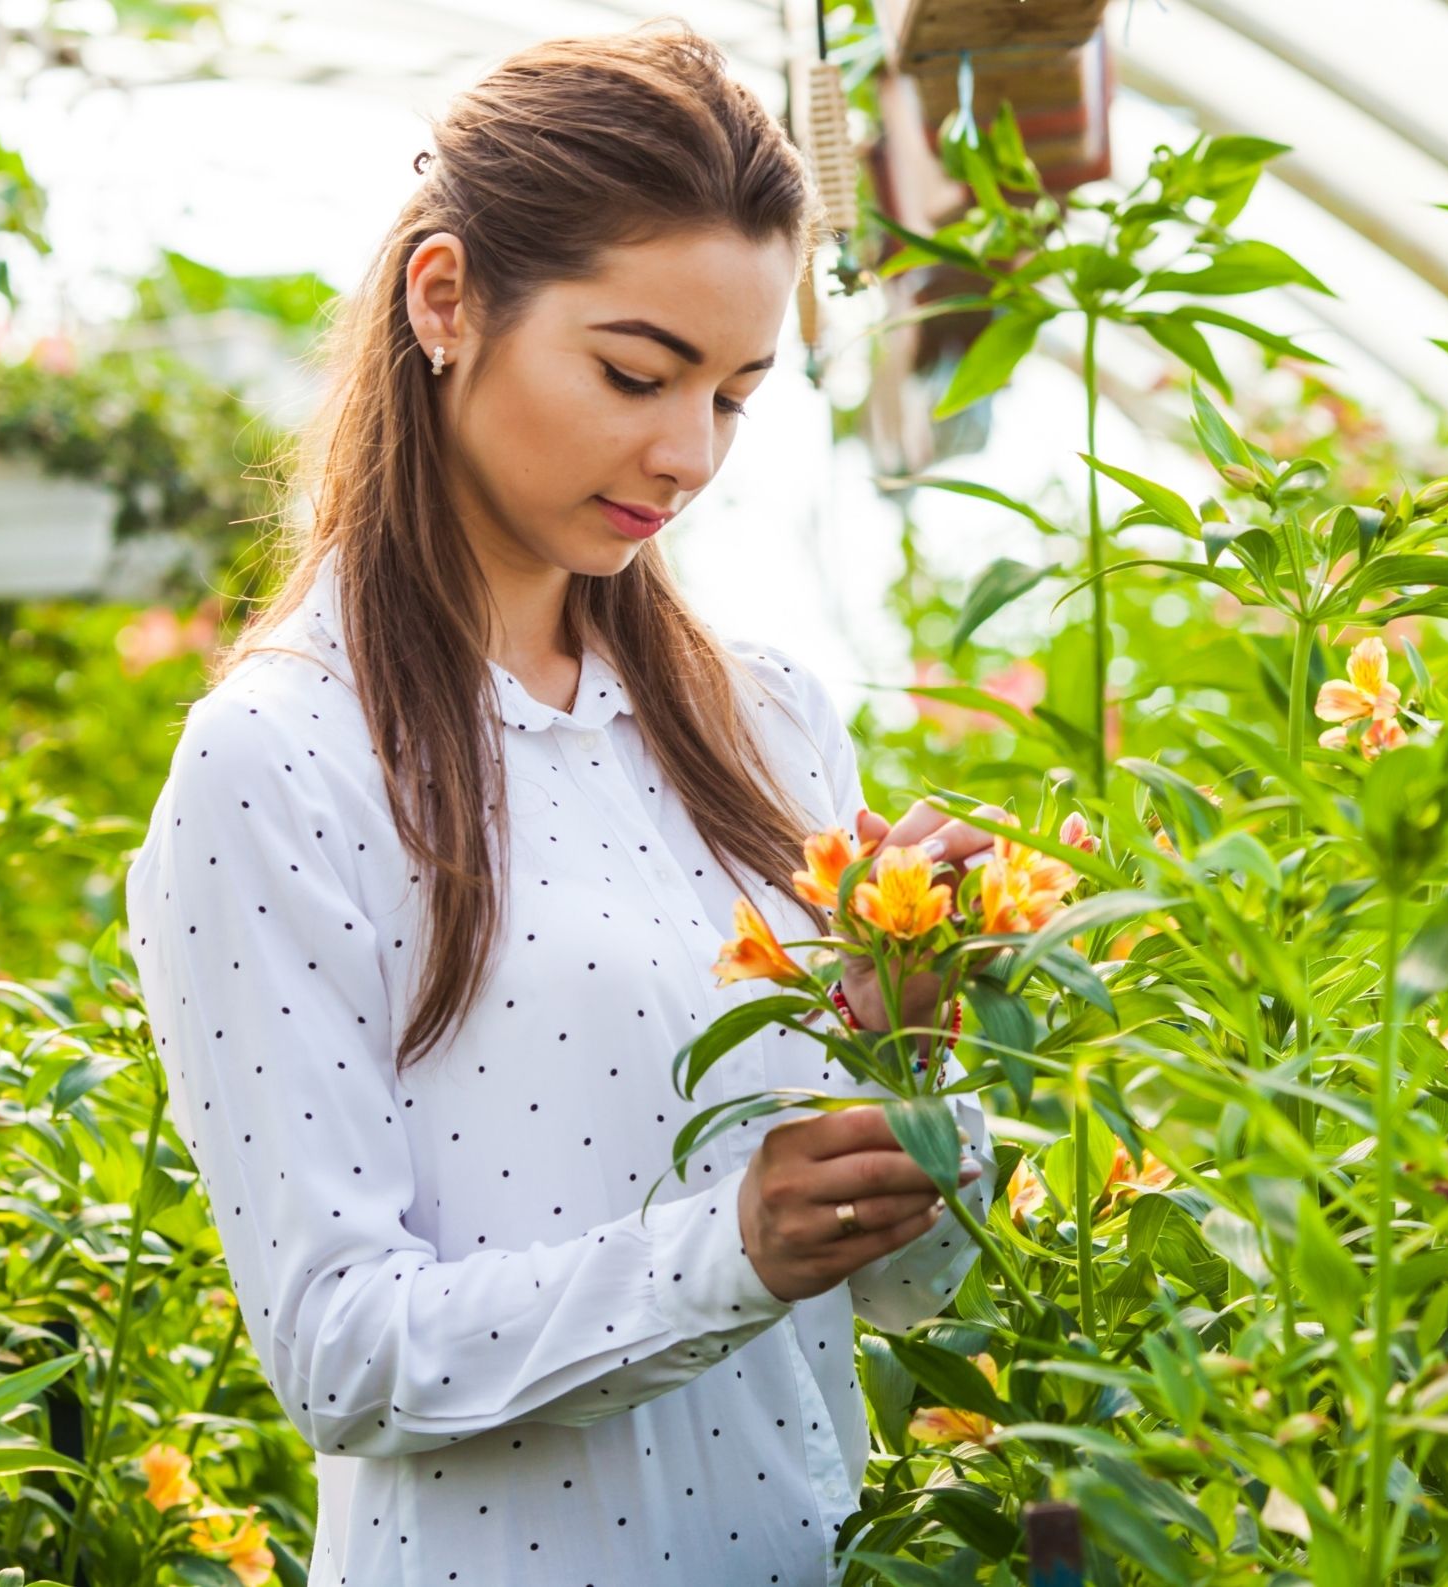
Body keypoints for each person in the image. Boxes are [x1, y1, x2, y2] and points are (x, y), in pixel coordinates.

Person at [121, 23, 1002, 1587]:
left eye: (734, 396)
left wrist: (911, 1065)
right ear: (446, 299)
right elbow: (339, 1349)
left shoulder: (765, 720)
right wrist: (729, 1246)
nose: (685, 454)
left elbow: (907, 1299)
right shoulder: (283, 760)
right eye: (634, 373)